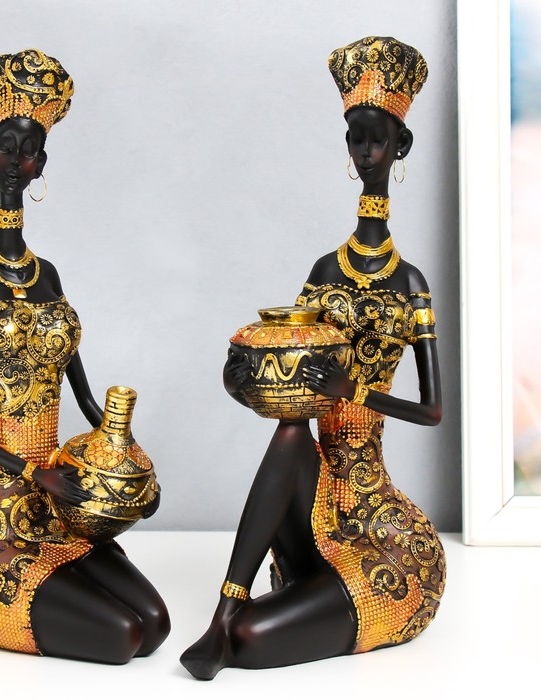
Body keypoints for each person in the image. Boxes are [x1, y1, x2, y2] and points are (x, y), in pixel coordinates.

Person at [180, 36, 445, 680]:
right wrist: (240, 377)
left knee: (251, 644)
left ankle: (237, 625)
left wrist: (354, 391)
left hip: (380, 533)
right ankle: (225, 608)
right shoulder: (325, 271)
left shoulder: (409, 283)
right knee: (292, 429)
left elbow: (433, 411)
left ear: (402, 146)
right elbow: (287, 357)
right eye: (356, 139)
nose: (366, 152)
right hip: (313, 499)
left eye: (378, 139)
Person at [0, 49, 169, 663]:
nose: (16, 161)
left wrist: (125, 451)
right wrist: (32, 473)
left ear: (41, 164)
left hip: (63, 498)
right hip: (2, 515)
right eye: (6, 147)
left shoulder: (50, 276)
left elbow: (84, 396)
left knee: (154, 624)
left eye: (29, 150)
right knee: (123, 637)